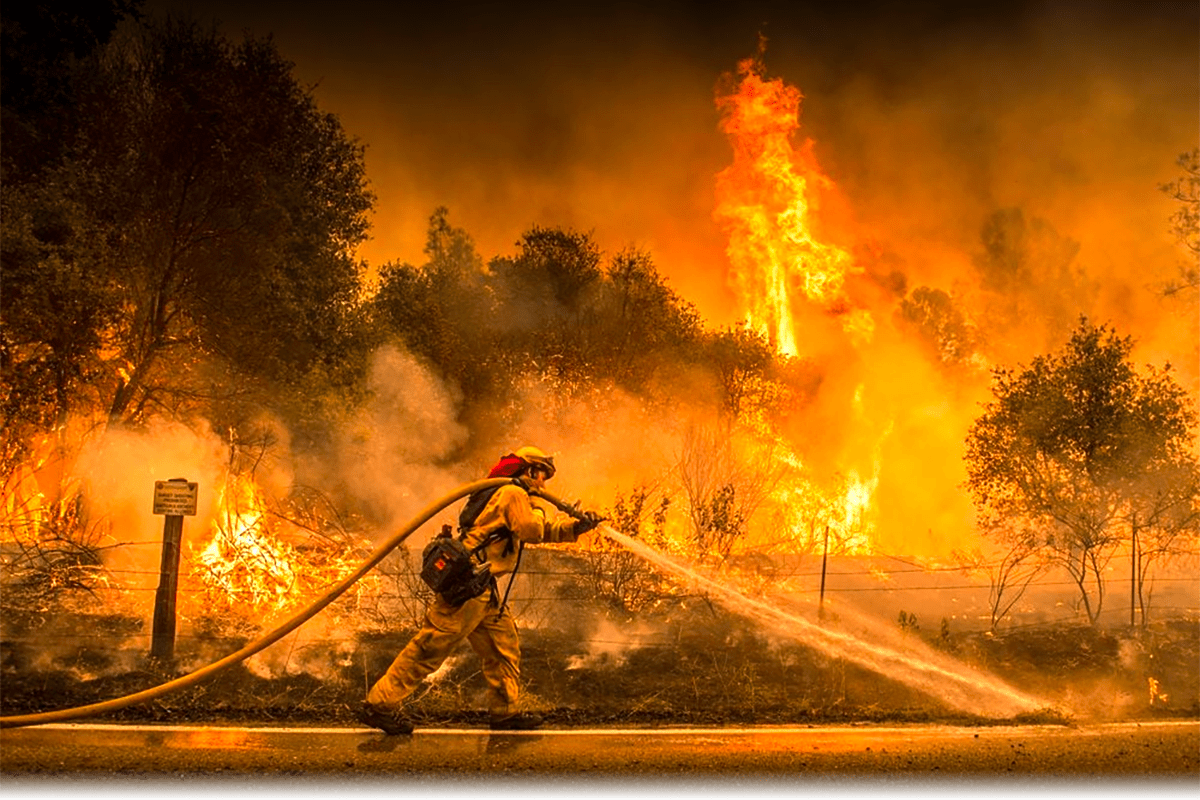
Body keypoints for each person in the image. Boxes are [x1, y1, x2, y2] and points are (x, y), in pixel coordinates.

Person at [359, 446, 602, 734]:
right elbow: (531, 529)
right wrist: (538, 503)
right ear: (529, 470)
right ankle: (379, 705)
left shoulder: (509, 495)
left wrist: (576, 529)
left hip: (483, 589)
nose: (543, 484)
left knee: (503, 649)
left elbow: (539, 531)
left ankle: (505, 712)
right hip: (467, 588)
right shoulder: (513, 494)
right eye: (541, 476)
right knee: (430, 647)